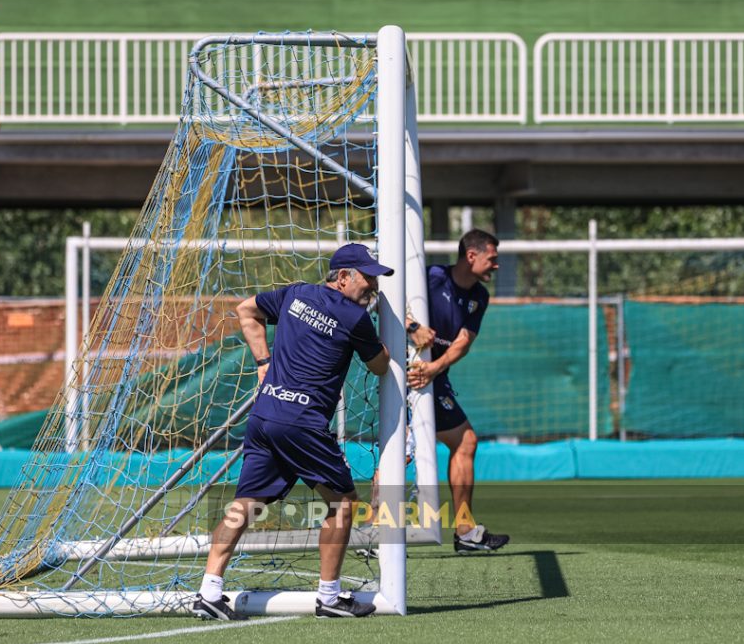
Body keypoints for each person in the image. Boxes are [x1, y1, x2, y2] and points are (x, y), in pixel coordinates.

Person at [193, 243, 392, 620]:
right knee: (343, 504)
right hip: (302, 423)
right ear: (343, 276)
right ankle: (330, 597)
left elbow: (245, 310)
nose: (373, 287)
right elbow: (380, 367)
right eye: (368, 278)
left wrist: (263, 363)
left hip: (265, 414)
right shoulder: (355, 318)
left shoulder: (296, 293)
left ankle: (209, 590)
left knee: (244, 506)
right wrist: (390, 335)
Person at [406, 229, 509, 554]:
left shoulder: (480, 296)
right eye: (492, 259)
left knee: (464, 442)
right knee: (401, 448)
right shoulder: (431, 277)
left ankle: (464, 530)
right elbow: (387, 301)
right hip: (406, 374)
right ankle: (374, 530)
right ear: (471, 256)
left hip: (433, 378)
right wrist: (413, 328)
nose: (496, 266)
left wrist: (434, 369)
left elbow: (463, 342)